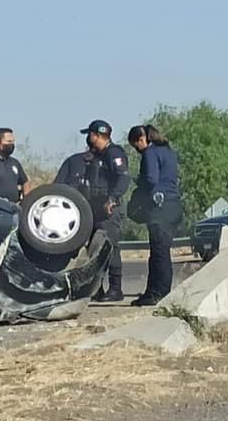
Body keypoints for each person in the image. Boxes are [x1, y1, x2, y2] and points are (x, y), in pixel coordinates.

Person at [54, 120, 130, 302]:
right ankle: (97, 289)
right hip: (95, 208)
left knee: (110, 248)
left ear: (96, 135)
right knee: (96, 251)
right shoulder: (99, 156)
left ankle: (115, 289)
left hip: (108, 209)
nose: (88, 138)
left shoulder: (114, 153)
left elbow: (123, 178)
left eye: (90, 134)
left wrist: (113, 199)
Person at [126, 124, 184, 306]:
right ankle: (154, 291)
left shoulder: (150, 153)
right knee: (161, 251)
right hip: (173, 206)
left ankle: (158, 293)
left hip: (160, 208)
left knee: (159, 253)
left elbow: (151, 179)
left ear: (142, 140)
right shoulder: (169, 152)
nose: (137, 150)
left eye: (136, 146)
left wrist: (137, 181)